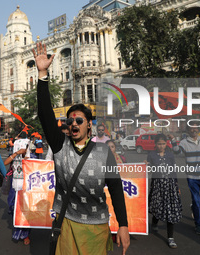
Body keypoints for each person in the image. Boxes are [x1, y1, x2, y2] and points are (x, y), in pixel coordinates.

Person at [33, 42, 130, 255]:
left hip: (96, 229)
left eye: (79, 120)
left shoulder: (104, 153)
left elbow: (115, 188)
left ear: (89, 124)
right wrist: (42, 74)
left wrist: (123, 225)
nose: (74, 124)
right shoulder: (60, 147)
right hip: (65, 224)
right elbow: (45, 115)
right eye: (70, 121)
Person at [169, 122, 200, 235]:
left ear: (198, 129)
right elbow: (177, 152)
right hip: (192, 178)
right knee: (196, 200)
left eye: (196, 128)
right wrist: (173, 140)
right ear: (188, 130)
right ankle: (198, 225)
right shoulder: (184, 142)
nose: (194, 130)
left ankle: (195, 209)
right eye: (191, 128)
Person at [145, 134, 182, 249]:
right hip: (157, 186)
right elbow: (149, 171)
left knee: (170, 210)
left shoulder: (170, 155)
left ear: (166, 144)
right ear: (155, 144)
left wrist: (176, 185)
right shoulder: (151, 155)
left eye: (163, 144)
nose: (161, 146)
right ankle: (154, 223)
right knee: (157, 207)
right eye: (159, 144)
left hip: (170, 187)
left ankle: (170, 238)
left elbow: (173, 170)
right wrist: (146, 166)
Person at [4, 131, 31, 245]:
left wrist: (24, 154)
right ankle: (17, 230)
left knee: (25, 212)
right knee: (13, 209)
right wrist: (16, 154)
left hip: (26, 189)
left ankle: (26, 235)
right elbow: (5, 162)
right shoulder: (14, 157)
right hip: (15, 188)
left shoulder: (31, 159)